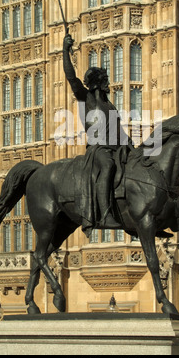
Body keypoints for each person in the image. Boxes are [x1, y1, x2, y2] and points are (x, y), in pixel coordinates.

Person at [63, 34, 129, 230]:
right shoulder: (87, 99)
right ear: (98, 82)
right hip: (99, 149)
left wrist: (132, 147)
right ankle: (105, 213)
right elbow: (71, 77)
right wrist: (65, 50)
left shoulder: (109, 105)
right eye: (106, 80)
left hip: (116, 147)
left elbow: (119, 130)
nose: (108, 83)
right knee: (107, 167)